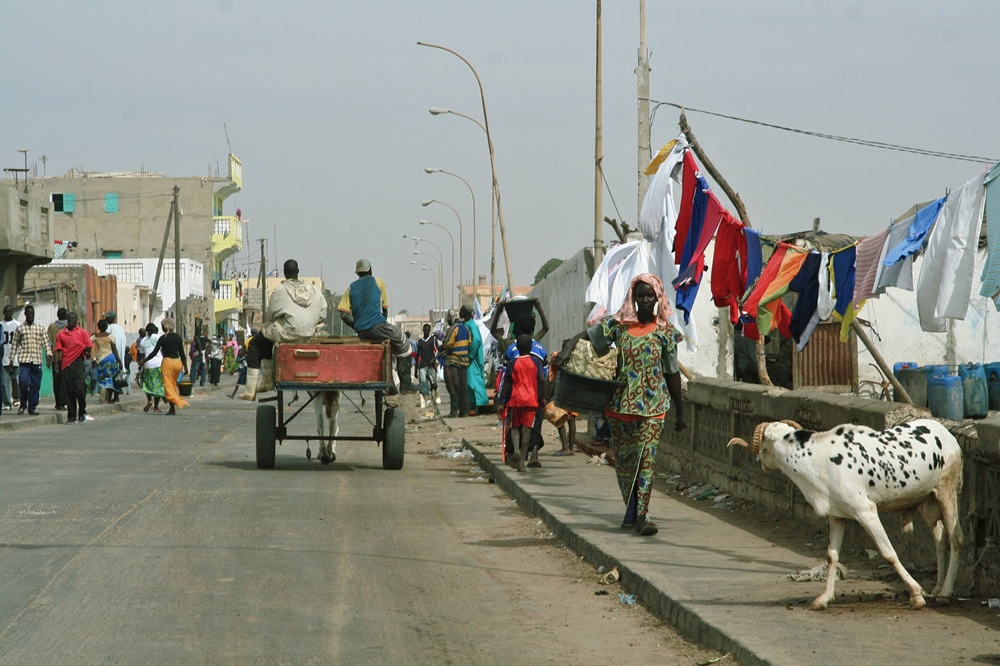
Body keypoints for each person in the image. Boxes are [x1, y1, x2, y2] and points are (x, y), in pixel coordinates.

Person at [584, 273, 686, 536]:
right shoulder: (618, 327)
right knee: (627, 463)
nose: (644, 300)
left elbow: (672, 372)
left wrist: (680, 409)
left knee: (647, 461)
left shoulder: (665, 332)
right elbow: (591, 337)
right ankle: (630, 511)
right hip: (620, 407)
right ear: (633, 296)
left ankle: (642, 515)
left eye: (649, 295)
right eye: (640, 295)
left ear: (657, 298)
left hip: (654, 406)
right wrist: (571, 344)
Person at [240, 259, 327, 401]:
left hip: (286, 333)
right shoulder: (313, 290)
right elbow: (323, 313)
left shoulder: (280, 291)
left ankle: (251, 389)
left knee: (256, 344)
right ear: (298, 272)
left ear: (284, 273)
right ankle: (266, 382)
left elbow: (270, 315)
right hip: (308, 335)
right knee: (268, 337)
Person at [337, 258, 410, 393]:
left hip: (361, 332)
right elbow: (385, 309)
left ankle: (392, 383)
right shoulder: (378, 282)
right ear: (370, 270)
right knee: (403, 341)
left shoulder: (351, 287)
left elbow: (343, 314)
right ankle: (406, 384)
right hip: (377, 326)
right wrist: (382, 325)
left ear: (357, 273)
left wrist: (357, 326)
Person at [496, 334, 546, 472]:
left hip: (516, 399)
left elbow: (507, 382)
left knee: (515, 427)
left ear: (517, 347)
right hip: (532, 399)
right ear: (531, 347)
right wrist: (543, 397)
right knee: (527, 430)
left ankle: (516, 449)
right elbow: (541, 379)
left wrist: (501, 401)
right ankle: (522, 462)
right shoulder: (536, 361)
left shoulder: (513, 362)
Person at [139, 317, 189, 415]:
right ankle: (174, 403)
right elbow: (182, 354)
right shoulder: (178, 337)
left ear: (166, 326)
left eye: (162, 326)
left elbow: (154, 353)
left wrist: (143, 361)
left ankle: (173, 407)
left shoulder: (163, 338)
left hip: (167, 363)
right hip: (177, 363)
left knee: (168, 386)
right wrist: (186, 367)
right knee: (173, 384)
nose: (161, 328)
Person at [11, 304, 52, 415]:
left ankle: (32, 407)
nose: (30, 316)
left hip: (36, 361)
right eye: (28, 314)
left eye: (32, 314)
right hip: (24, 361)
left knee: (35, 385)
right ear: (25, 315)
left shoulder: (40, 327)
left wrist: (49, 355)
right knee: (23, 382)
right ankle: (23, 404)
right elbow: (15, 344)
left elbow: (46, 343)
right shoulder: (20, 328)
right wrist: (11, 359)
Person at [54, 312, 93, 424]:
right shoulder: (61, 334)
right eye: (69, 319)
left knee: (80, 389)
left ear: (76, 320)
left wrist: (87, 352)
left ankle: (82, 412)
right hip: (66, 364)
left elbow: (89, 346)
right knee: (69, 391)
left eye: (73, 319)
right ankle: (71, 416)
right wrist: (56, 364)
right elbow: (57, 350)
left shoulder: (83, 333)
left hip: (79, 362)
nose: (70, 320)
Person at [440, 310, 470, 418]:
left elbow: (448, 345)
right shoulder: (466, 329)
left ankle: (453, 411)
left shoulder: (452, 329)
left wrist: (441, 348)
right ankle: (464, 411)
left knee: (452, 386)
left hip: (452, 361)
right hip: (464, 361)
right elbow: (469, 343)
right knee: (463, 387)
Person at [462, 305, 489, 416]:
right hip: (471, 358)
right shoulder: (468, 324)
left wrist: (470, 355)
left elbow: (476, 340)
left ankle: (480, 405)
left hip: (473, 360)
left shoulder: (471, 325)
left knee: (473, 382)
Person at [91, 319, 123, 404]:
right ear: (106, 327)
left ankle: (108, 397)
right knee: (113, 378)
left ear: (98, 327)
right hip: (111, 358)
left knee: (105, 379)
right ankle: (114, 397)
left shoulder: (96, 336)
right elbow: (114, 349)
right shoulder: (110, 336)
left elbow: (87, 342)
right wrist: (119, 361)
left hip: (101, 359)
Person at [137, 322, 166, 413]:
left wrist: (140, 364)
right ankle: (156, 407)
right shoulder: (158, 338)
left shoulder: (143, 340)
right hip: (158, 363)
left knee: (148, 384)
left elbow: (141, 354)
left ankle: (149, 400)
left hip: (147, 364)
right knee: (157, 385)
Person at [46, 307, 68, 409]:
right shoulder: (69, 326)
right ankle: (65, 401)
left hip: (56, 358)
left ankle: (59, 403)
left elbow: (49, 343)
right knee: (66, 381)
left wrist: (49, 357)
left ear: (57, 315)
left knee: (57, 381)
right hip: (68, 357)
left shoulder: (52, 327)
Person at [104, 311, 127, 403]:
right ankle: (116, 397)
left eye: (107, 318)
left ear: (112, 319)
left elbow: (112, 343)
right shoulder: (120, 328)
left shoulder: (110, 328)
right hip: (119, 356)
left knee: (110, 378)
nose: (106, 319)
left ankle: (110, 398)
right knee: (117, 376)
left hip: (112, 356)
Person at [415, 323, 439, 409]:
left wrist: (435, 359)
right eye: (425, 330)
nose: (426, 331)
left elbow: (438, 350)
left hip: (431, 365)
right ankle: (422, 401)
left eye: (428, 330)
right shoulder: (419, 342)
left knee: (433, 383)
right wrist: (415, 370)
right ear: (423, 330)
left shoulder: (433, 339)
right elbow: (418, 355)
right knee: (423, 383)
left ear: (429, 331)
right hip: (422, 365)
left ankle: (436, 393)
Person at [1, 304, 20, 411]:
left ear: (12, 312)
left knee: (15, 380)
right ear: (3, 312)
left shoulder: (18, 325)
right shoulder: (0, 325)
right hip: (4, 358)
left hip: (15, 357)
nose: (8, 313)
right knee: (5, 382)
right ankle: (7, 402)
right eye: (6, 311)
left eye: (10, 311)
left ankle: (16, 398)